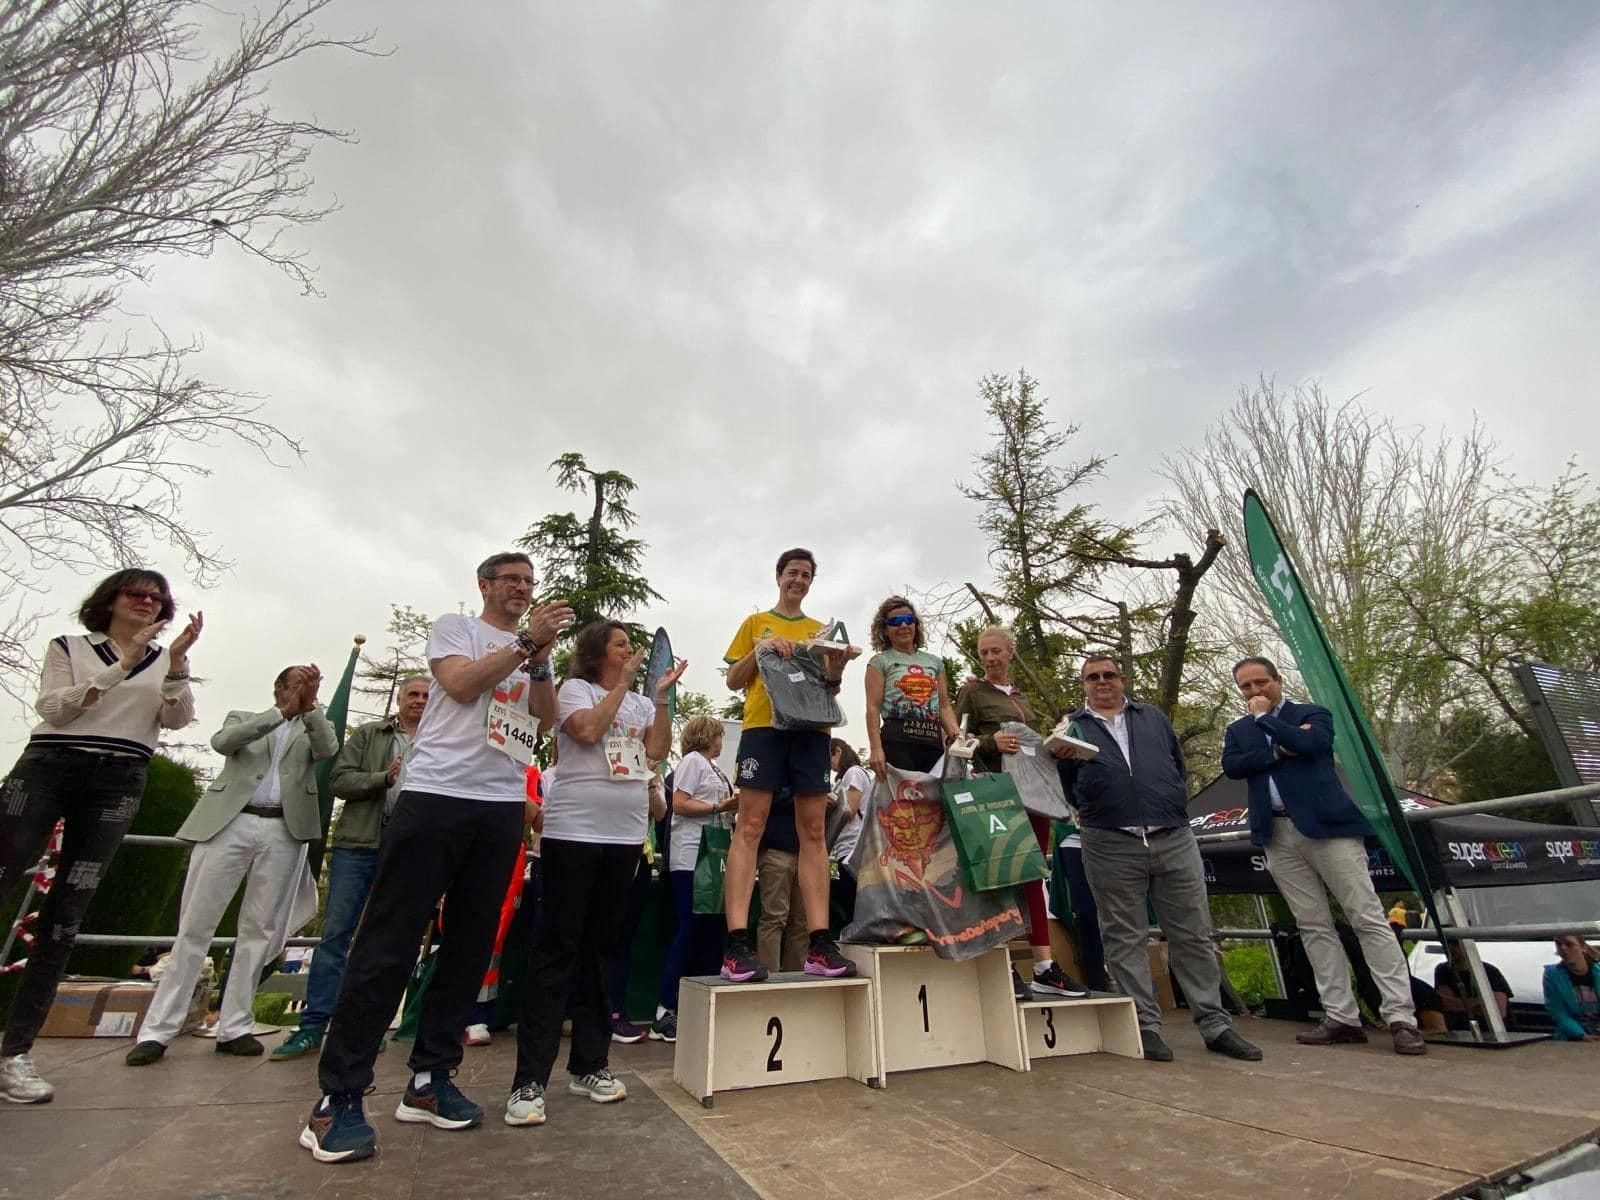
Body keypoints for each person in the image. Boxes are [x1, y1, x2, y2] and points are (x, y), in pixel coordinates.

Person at [299, 552, 571, 1164]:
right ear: (485, 585)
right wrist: (527, 643)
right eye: (511, 581)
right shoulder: (457, 628)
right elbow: (460, 684)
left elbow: (545, 722)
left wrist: (545, 659)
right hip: (436, 796)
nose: (522, 590)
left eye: (529, 584)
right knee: (389, 943)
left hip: (500, 805)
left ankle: (430, 1078)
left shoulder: (534, 652)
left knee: (471, 945)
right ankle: (337, 1097)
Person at [0, 570, 200, 1104]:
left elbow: (177, 720)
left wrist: (176, 665)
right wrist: (124, 665)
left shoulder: (165, 660)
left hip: (120, 776)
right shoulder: (70, 646)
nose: (147, 602)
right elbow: (57, 708)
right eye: (137, 593)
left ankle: (14, 1051)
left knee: (66, 916)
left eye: (157, 598)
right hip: (51, 766)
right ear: (110, 600)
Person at [506, 620, 683, 1129]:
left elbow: (653, 751)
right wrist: (625, 685)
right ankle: (529, 1080)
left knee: (604, 950)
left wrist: (662, 699)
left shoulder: (643, 703)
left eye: (633, 645)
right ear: (598, 652)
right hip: (573, 831)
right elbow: (585, 730)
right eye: (622, 643)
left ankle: (590, 1064)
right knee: (557, 948)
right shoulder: (575, 689)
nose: (631, 650)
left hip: (624, 835)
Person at [127, 664, 336, 1066]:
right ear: (277, 687)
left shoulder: (310, 727)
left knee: (258, 928)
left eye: (308, 687)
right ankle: (158, 1030)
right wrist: (280, 713)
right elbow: (224, 742)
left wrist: (309, 710)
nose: (301, 692)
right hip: (231, 823)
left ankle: (236, 1024)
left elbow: (328, 749)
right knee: (195, 926)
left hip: (282, 829)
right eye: (294, 685)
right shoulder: (245, 717)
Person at [1058, 654, 1262, 1063]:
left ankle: (1215, 1023)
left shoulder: (1152, 717)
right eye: (1092, 677)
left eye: (1109, 675)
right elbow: (1067, 785)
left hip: (1171, 833)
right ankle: (1145, 1025)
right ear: (1083, 685)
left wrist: (1165, 801)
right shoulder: (1073, 728)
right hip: (1109, 839)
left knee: (1192, 931)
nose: (1102, 682)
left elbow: (1176, 765)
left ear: (1122, 679)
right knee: (1123, 934)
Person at [1221, 657, 1425, 1056]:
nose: (1254, 692)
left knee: (1366, 918)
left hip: (1328, 828)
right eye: (1245, 687)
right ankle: (1341, 1016)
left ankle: (1401, 1016)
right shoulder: (1237, 730)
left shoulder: (1311, 713)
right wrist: (1277, 751)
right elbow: (1233, 766)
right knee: (1312, 924)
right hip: (1276, 832)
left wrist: (1268, 723)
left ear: (1277, 680)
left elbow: (1312, 743)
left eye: (1260, 683)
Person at [273, 675, 431, 1060]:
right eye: (413, 694)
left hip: (409, 849)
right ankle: (313, 1027)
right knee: (336, 936)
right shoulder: (370, 734)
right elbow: (339, 779)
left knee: (386, 941)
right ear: (399, 699)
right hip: (360, 843)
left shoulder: (441, 739)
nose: (420, 701)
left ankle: (366, 1026)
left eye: (427, 696)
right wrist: (383, 778)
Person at [720, 548, 860, 982]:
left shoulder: (821, 629)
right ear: (779, 576)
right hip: (763, 727)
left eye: (806, 575)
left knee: (814, 831)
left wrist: (835, 669)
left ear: (811, 582)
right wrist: (761, 647)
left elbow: (830, 690)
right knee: (750, 826)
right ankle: (736, 946)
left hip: (812, 732)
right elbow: (732, 679)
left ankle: (820, 943)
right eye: (792, 573)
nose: (798, 580)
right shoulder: (755, 622)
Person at [953, 626, 1087, 999]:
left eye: (996, 651)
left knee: (1032, 876)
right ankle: (1003, 965)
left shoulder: (1022, 697)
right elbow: (955, 741)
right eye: (984, 653)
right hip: (996, 796)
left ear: (1011, 652)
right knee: (1000, 876)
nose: (991, 659)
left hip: (1035, 795)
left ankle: (1045, 968)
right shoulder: (972, 691)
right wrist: (987, 741)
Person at [654, 716, 736, 1043]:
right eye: (718, 735)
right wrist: (720, 805)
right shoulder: (691, 762)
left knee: (709, 929)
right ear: (706, 736)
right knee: (689, 927)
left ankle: (699, 1000)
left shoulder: (714, 768)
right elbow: (680, 803)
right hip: (691, 855)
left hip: (714, 855)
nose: (721, 741)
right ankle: (664, 1008)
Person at [864, 596, 960, 775]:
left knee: (934, 800)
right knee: (905, 800)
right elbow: (872, 707)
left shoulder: (934, 663)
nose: (903, 626)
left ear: (915, 624)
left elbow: (944, 705)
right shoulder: (879, 662)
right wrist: (876, 749)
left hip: (932, 742)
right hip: (897, 742)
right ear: (885, 629)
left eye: (908, 620)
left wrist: (957, 737)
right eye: (895, 621)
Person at [608, 770, 670, 1043]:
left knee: (623, 940)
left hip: (639, 856)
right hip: (607, 850)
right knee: (602, 937)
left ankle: (616, 1012)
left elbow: (660, 813)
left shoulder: (649, 773)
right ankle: (592, 1012)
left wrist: (650, 784)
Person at [756, 787, 809, 972]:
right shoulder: (772, 766)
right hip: (776, 848)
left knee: (802, 921)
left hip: (805, 851)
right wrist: (807, 796)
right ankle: (769, 979)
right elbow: (766, 797)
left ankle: (796, 977)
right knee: (774, 917)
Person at [827, 739, 871, 926]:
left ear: (838, 752)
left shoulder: (854, 773)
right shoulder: (844, 778)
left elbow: (850, 810)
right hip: (842, 847)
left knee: (849, 895)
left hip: (852, 846)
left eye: (829, 758)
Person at [1434, 942, 1512, 1031]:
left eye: (1455, 944)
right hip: (1458, 1031)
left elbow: (1497, 1010)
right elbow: (1445, 1004)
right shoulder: (1443, 970)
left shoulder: (1489, 971)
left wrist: (1459, 1003)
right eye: (1446, 944)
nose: (1450, 948)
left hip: (1492, 1031)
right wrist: (1479, 1003)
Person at [1543, 934, 1600, 1041]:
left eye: (1569, 944)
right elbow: (1558, 1012)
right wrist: (1581, 1035)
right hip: (1573, 1035)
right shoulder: (1552, 975)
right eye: (1559, 944)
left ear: (1583, 948)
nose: (1563, 948)